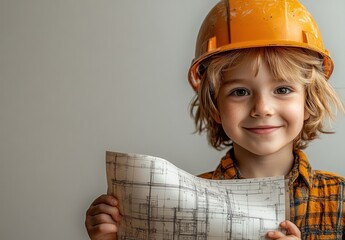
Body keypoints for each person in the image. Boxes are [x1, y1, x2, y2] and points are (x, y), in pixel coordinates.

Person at [85, 0, 345, 239]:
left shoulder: (340, 199)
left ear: (308, 102)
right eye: (240, 92)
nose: (262, 108)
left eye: (283, 90)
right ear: (215, 106)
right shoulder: (180, 204)